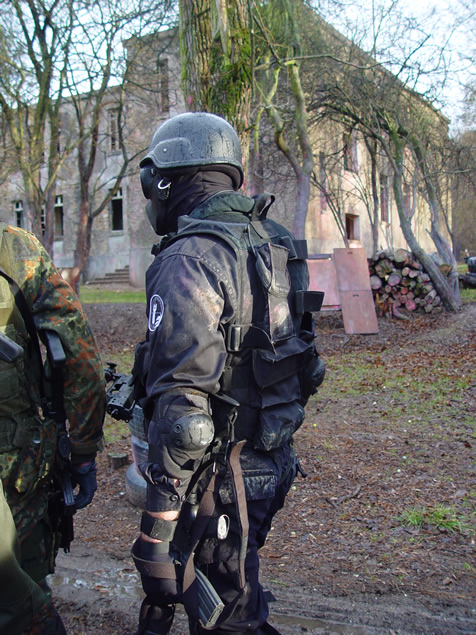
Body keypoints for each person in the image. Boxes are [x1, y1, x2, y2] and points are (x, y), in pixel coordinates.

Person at [132, 112, 325, 635]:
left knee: (230, 620)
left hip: (220, 479)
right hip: (271, 461)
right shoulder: (275, 241)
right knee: (235, 594)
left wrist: (157, 527)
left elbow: (185, 418)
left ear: (165, 180)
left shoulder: (190, 257)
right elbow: (305, 365)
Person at [0, 223, 106, 634]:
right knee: (21, 601)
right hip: (16, 474)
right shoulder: (12, 247)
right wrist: (82, 453)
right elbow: (79, 355)